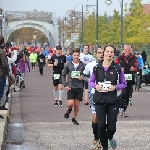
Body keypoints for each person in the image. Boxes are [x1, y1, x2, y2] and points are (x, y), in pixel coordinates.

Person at [89, 45, 126, 150]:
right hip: (99, 100)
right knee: (100, 126)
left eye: (111, 52)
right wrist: (96, 86)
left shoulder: (117, 68)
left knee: (111, 128)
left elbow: (124, 84)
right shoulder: (97, 67)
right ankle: (105, 148)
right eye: (107, 51)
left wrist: (115, 87)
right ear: (103, 53)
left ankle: (110, 137)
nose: (109, 53)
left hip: (112, 100)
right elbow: (91, 82)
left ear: (113, 54)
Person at [83, 47, 103, 149]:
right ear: (96, 54)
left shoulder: (111, 66)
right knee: (95, 116)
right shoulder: (90, 65)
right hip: (93, 93)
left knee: (103, 118)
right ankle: (96, 137)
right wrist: (89, 80)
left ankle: (101, 137)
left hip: (106, 94)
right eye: (99, 53)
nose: (101, 55)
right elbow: (84, 75)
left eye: (103, 53)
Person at [62, 48, 87, 125]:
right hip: (71, 86)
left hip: (79, 87)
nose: (76, 57)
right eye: (74, 55)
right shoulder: (68, 64)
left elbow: (87, 76)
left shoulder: (83, 65)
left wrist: (82, 77)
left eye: (77, 55)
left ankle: (73, 118)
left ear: (79, 56)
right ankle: (69, 110)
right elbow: (63, 74)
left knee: (76, 105)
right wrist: (65, 85)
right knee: (70, 104)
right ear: (72, 56)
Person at [115, 45, 137, 117]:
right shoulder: (119, 58)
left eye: (128, 49)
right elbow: (115, 67)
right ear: (123, 50)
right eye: (126, 49)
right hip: (122, 79)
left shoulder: (133, 58)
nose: (127, 51)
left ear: (130, 50)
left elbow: (136, 67)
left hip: (130, 79)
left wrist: (134, 69)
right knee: (123, 93)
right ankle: (120, 107)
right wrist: (120, 69)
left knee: (128, 95)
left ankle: (123, 109)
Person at [0, 36, 9, 117]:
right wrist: (7, 73)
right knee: (0, 93)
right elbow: (5, 64)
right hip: (1, 75)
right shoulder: (2, 52)